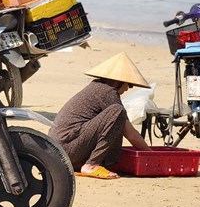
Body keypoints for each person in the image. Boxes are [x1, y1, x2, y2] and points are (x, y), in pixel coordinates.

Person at [49, 52, 152, 180]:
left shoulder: (97, 87)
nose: (127, 89)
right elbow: (130, 133)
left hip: (59, 150)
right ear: (118, 82)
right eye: (128, 84)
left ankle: (92, 162)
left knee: (116, 114)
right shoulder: (107, 92)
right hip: (67, 147)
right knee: (117, 111)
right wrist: (149, 154)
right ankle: (91, 165)